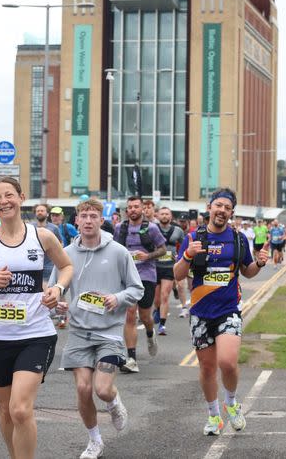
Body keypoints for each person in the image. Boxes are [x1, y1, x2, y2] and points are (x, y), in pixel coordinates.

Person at [0, 177, 73, 459]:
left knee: (20, 409)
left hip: (35, 334)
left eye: (9, 195)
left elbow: (67, 266)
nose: (4, 201)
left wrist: (58, 288)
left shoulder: (42, 236)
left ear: (21, 197)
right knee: (4, 410)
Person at [173, 188, 270, 437]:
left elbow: (247, 271)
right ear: (209, 207)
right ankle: (214, 415)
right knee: (206, 368)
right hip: (201, 313)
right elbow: (178, 275)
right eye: (219, 206)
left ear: (232, 213)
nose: (222, 211)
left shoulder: (238, 239)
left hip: (228, 310)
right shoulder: (193, 237)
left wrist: (258, 263)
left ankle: (232, 402)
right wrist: (187, 255)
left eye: (227, 208)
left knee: (227, 362)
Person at [51, 198, 143, 459]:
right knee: (83, 389)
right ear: (76, 221)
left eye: (93, 216)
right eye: (84, 216)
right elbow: (55, 289)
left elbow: (137, 288)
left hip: (109, 333)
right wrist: (57, 304)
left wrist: (118, 298)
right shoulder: (66, 254)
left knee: (102, 389)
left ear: (101, 220)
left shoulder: (118, 252)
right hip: (79, 332)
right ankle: (94, 440)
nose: (88, 220)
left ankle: (113, 402)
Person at [116, 196, 167, 373]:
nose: (132, 210)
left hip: (146, 275)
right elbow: (114, 249)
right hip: (127, 277)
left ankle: (150, 333)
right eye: (129, 207)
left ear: (142, 209)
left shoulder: (151, 228)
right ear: (126, 210)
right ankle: (131, 358)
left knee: (145, 317)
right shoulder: (119, 228)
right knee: (130, 315)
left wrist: (148, 256)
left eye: (136, 207)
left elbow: (163, 249)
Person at [154, 206, 187, 332]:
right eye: (162, 214)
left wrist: (180, 255)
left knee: (165, 295)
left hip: (169, 266)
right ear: (158, 216)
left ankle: (162, 325)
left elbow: (184, 245)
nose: (164, 216)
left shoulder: (178, 230)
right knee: (156, 299)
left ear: (171, 216)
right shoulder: (153, 229)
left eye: (167, 214)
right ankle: (157, 310)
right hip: (155, 266)